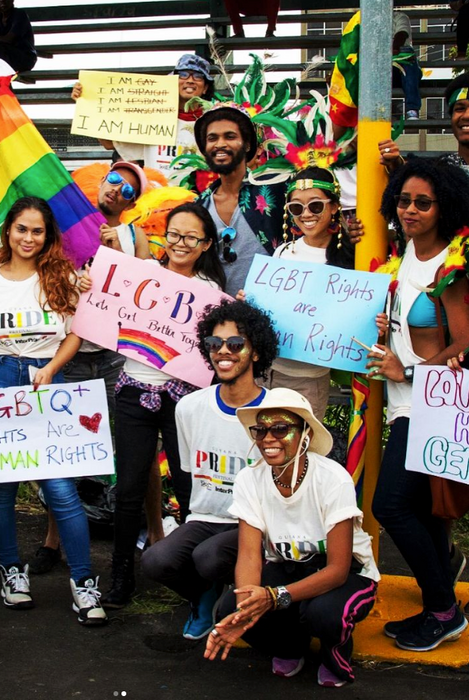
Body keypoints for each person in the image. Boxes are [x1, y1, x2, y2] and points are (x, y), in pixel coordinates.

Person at [0, 196, 106, 626]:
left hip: (45, 383)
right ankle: (11, 573)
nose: (28, 237)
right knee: (1, 486)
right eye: (22, 228)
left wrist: (52, 368)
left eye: (37, 231)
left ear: (48, 236)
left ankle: (82, 582)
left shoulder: (61, 278)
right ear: (8, 230)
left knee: (60, 489)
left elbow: (76, 334)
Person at [205, 388, 379, 688]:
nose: (268, 438)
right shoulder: (250, 478)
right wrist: (249, 604)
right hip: (287, 565)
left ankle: (334, 654)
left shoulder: (332, 478)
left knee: (324, 614)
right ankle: (289, 647)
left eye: (281, 428)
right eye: (261, 430)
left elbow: (338, 570)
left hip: (346, 574)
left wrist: (272, 597)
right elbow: (249, 554)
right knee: (233, 609)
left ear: (305, 433)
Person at [28, 161, 149, 575]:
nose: (117, 190)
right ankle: (53, 540)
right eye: (114, 180)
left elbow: (143, 297)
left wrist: (117, 253)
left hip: (116, 355)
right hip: (70, 353)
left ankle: (148, 535)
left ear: (133, 204)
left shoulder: (137, 237)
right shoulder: (64, 228)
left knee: (134, 444)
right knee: (63, 449)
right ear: (102, 181)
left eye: (129, 190)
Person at [104, 202, 227, 609]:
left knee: (190, 486)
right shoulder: (143, 275)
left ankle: (195, 578)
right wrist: (94, 286)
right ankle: (121, 570)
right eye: (174, 234)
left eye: (191, 237)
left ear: (206, 243)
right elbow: (104, 308)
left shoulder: (211, 293)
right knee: (128, 489)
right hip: (134, 391)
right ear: (163, 236)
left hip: (186, 401)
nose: (180, 243)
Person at [368, 158, 469, 651]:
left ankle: (444, 611)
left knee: (390, 505)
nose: (410, 210)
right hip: (404, 403)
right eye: (404, 200)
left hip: (431, 405)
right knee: (424, 511)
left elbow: (465, 345)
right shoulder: (400, 256)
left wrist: (405, 371)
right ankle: (441, 591)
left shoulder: (454, 266)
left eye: (423, 203)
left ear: (444, 207)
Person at [141, 298, 278, 639]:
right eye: (214, 344)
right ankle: (204, 595)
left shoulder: (277, 409)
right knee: (155, 561)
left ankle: (241, 601)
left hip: (260, 524)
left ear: (256, 352)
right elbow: (190, 470)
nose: (223, 352)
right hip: (206, 518)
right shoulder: (189, 407)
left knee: (209, 557)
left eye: (235, 344)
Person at [262, 167, 353, 422]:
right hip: (266, 371)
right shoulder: (283, 253)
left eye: (315, 206)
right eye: (296, 208)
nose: (306, 215)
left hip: (309, 378)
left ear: (334, 206)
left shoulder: (349, 257)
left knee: (302, 451)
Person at [71, 54, 215, 184]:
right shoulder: (150, 116)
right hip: (157, 202)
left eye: (198, 76)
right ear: (172, 82)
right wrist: (86, 102)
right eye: (183, 75)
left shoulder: (213, 122)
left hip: (197, 200)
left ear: (206, 88)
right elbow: (108, 144)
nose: (190, 81)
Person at [195, 102, 286, 295]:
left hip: (268, 312)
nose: (220, 144)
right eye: (212, 138)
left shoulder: (277, 192)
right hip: (216, 315)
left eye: (230, 136)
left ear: (247, 145)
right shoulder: (199, 206)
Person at [392, 11, 422, 121]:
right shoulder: (369, 19)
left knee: (408, 58)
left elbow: (402, 33)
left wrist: (394, 49)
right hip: (382, 68)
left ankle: (412, 109)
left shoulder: (399, 16)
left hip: (400, 61)